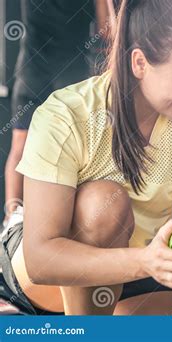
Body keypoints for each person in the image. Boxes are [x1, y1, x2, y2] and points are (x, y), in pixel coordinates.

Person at [0, 0, 172, 315]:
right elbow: (42, 260)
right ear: (139, 63)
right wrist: (142, 262)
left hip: (142, 262)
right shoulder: (66, 114)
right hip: (49, 269)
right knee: (106, 201)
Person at [3, 0, 116, 229]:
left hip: (37, 68)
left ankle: (12, 221)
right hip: (68, 69)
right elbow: (107, 30)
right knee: (80, 151)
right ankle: (31, 222)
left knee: (21, 146)